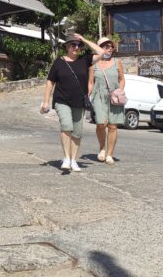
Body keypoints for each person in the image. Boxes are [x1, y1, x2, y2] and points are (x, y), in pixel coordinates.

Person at [40, 33, 104, 172]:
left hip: (79, 101)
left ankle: (74, 160)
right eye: (73, 45)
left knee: (77, 132)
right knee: (66, 125)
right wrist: (45, 101)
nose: (76, 47)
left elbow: (101, 52)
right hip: (62, 100)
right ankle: (67, 158)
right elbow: (50, 81)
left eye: (78, 45)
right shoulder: (58, 62)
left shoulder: (85, 60)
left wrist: (84, 39)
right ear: (67, 47)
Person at [82, 36, 126, 165]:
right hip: (99, 95)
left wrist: (120, 90)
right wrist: (86, 95)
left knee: (113, 126)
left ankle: (109, 154)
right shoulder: (93, 63)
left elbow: (122, 79)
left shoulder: (117, 62)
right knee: (101, 123)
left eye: (111, 46)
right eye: (106, 46)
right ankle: (101, 148)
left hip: (114, 96)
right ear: (100, 48)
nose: (109, 49)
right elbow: (90, 82)